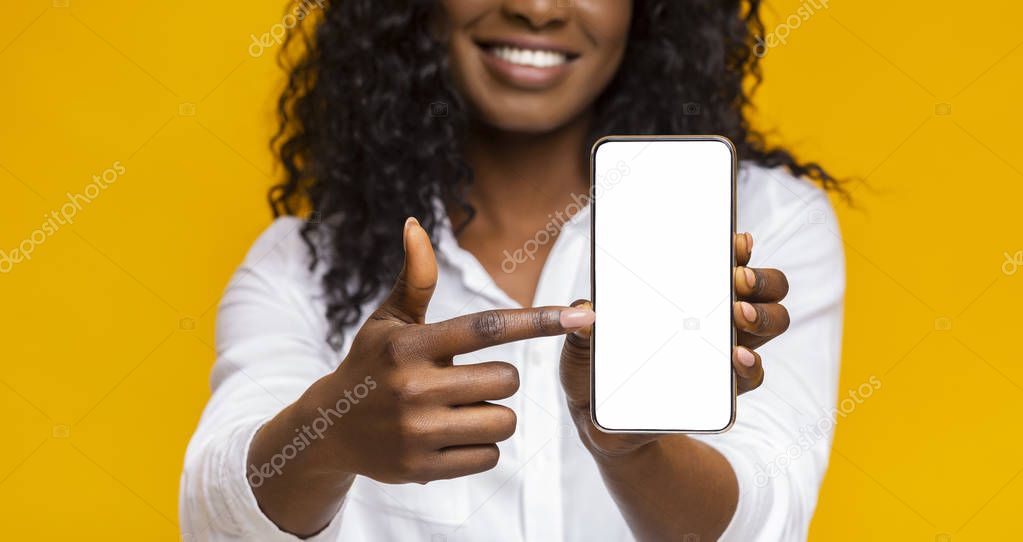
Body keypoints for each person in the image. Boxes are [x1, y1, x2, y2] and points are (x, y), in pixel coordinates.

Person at [180, 1, 845, 540]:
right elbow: (214, 520)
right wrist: (330, 432)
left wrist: (630, 448)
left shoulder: (760, 220)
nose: (535, 9)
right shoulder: (300, 262)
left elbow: (769, 518)